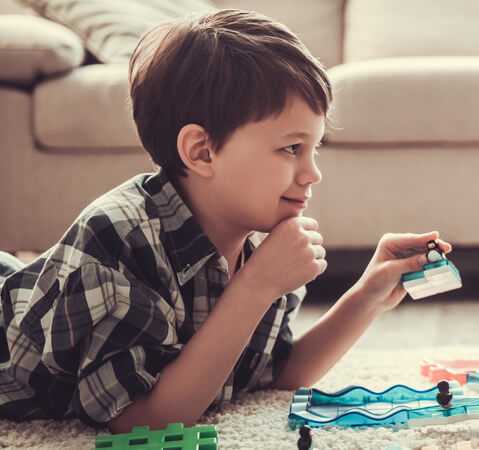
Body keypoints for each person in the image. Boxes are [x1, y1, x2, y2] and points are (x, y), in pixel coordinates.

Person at [0, 9, 450, 432]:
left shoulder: (256, 241)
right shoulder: (119, 238)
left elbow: (275, 372)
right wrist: (254, 288)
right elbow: (140, 420)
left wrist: (368, 295)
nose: (313, 173)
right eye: (292, 148)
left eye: (314, 148)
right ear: (202, 151)